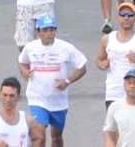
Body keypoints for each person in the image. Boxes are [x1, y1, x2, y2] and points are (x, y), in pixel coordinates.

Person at [18, 14, 88, 147]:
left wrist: (67, 81)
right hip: (37, 98)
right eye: (45, 30)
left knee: (56, 137)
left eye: (52, 30)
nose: (49, 34)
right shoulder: (31, 47)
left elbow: (82, 67)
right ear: (38, 32)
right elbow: (22, 62)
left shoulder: (66, 47)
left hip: (58, 101)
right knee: (39, 137)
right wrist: (25, 72)